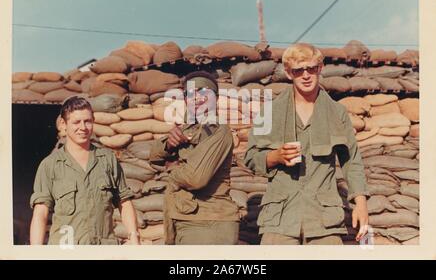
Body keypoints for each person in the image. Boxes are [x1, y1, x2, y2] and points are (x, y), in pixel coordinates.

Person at [244, 43, 369, 245]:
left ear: (320, 68)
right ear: (288, 72)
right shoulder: (268, 113)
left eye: (311, 68)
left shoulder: (337, 113)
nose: (306, 75)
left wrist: (361, 204)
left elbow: (352, 161)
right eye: (298, 70)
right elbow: (250, 157)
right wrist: (274, 157)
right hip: (280, 219)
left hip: (324, 221)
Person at [29, 96, 139, 245]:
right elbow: (41, 212)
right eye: (76, 122)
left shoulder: (107, 159)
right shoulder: (50, 165)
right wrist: (36, 252)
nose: (83, 127)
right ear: (63, 124)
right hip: (66, 251)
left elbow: (124, 201)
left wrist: (134, 238)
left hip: (103, 249)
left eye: (87, 121)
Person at [149, 71, 239, 245]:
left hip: (209, 223)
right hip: (184, 217)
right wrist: (169, 144)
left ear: (216, 97)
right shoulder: (187, 129)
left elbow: (195, 178)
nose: (197, 97)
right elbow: (153, 158)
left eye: (204, 91)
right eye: (190, 93)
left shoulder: (220, 131)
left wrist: (172, 168)